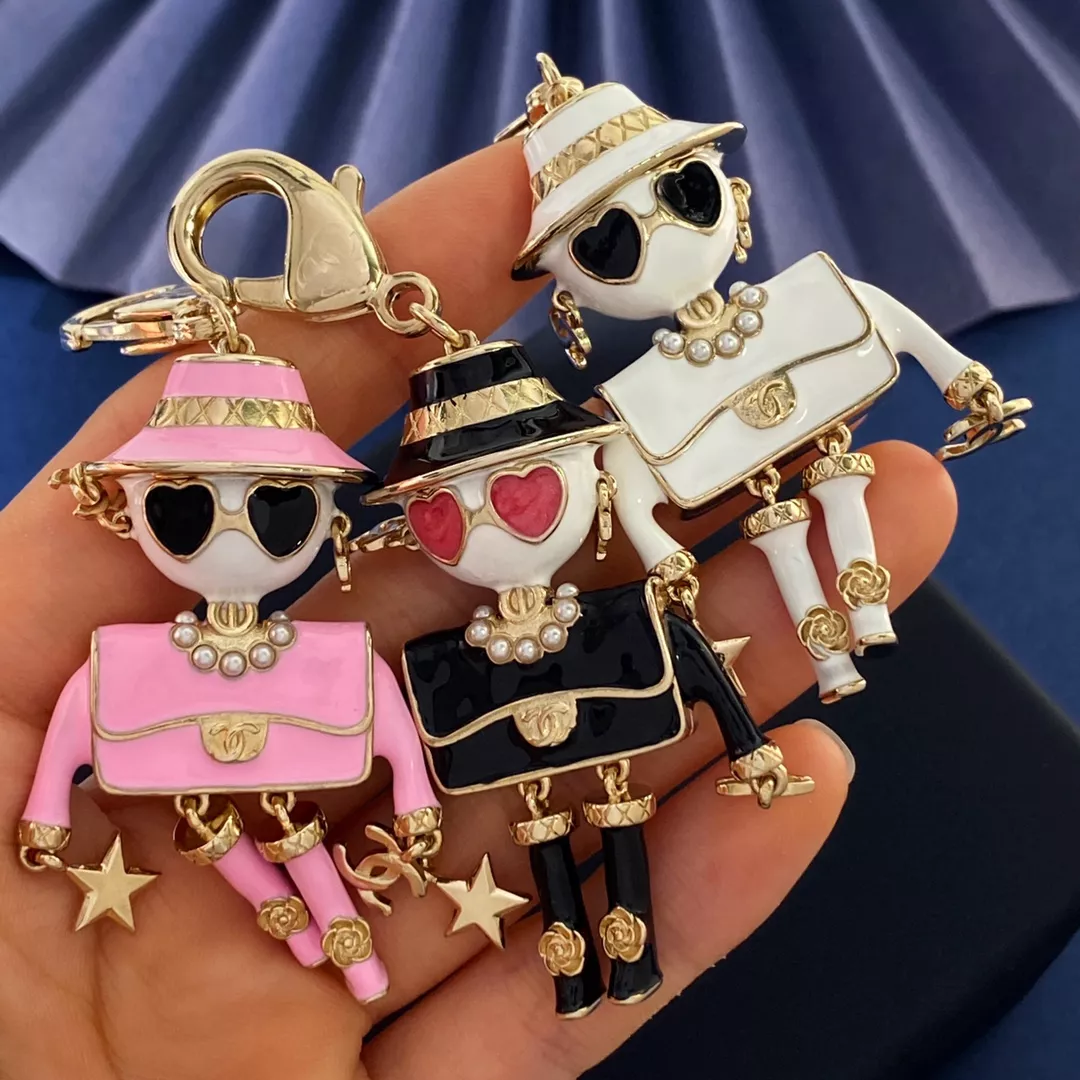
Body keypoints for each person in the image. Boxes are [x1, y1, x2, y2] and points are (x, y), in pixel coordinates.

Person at [0, 137, 955, 1078]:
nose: (490, 520)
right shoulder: (370, 663)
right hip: (261, 814)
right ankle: (372, 943)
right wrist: (47, 804)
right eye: (179, 509)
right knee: (484, 839)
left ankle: (557, 952)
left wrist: (740, 740)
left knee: (606, 820)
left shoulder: (444, 641)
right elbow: (107, 707)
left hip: (568, 713)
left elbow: (665, 663)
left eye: (280, 506)